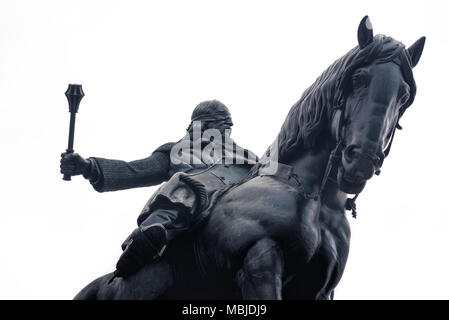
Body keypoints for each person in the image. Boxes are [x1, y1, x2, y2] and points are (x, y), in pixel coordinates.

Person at [60, 100, 258, 279]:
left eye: (228, 126)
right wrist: (87, 167)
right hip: (194, 209)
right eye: (220, 125)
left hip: (243, 209)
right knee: (185, 185)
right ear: (201, 126)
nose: (225, 131)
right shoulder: (178, 151)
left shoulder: (250, 160)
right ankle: (146, 239)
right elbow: (135, 170)